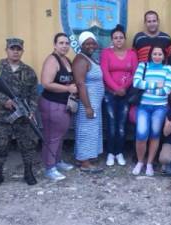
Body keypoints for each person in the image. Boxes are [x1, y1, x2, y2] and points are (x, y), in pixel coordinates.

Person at [0, 38, 38, 188]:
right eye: (12, 48)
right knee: (0, 145)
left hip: (22, 116)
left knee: (27, 145)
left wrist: (32, 111)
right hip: (3, 116)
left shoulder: (28, 71)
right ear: (6, 50)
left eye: (18, 49)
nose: (15, 51)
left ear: (22, 51)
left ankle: (28, 173)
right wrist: (4, 100)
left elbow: (34, 94)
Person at [39, 33, 76, 181]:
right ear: (54, 45)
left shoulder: (66, 59)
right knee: (52, 137)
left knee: (60, 135)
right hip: (51, 103)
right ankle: (49, 168)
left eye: (67, 43)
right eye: (61, 43)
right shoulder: (52, 60)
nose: (64, 46)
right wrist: (68, 89)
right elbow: (46, 83)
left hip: (63, 104)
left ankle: (57, 161)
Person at [132, 45, 171, 176]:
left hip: (160, 108)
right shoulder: (143, 66)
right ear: (150, 55)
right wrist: (157, 85)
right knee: (141, 134)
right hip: (144, 106)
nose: (157, 56)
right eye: (154, 54)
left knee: (155, 135)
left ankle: (149, 163)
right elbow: (136, 83)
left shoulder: (168, 69)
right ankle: (140, 162)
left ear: (164, 56)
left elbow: (167, 90)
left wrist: (147, 86)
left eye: (160, 54)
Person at [101, 24, 138, 167]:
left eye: (121, 37)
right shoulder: (106, 53)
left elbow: (134, 73)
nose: (118, 40)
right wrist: (116, 88)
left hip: (126, 94)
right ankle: (110, 153)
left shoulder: (132, 54)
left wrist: (124, 88)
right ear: (112, 40)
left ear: (125, 39)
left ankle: (119, 152)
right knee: (111, 124)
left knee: (122, 124)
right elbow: (105, 73)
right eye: (115, 38)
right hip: (110, 93)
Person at [73, 31, 105, 172]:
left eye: (93, 43)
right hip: (88, 103)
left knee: (91, 131)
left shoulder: (89, 58)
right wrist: (87, 107)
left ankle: (84, 158)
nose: (91, 45)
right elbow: (80, 84)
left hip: (94, 103)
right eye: (87, 43)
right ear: (81, 45)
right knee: (86, 131)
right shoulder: (80, 60)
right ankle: (85, 163)